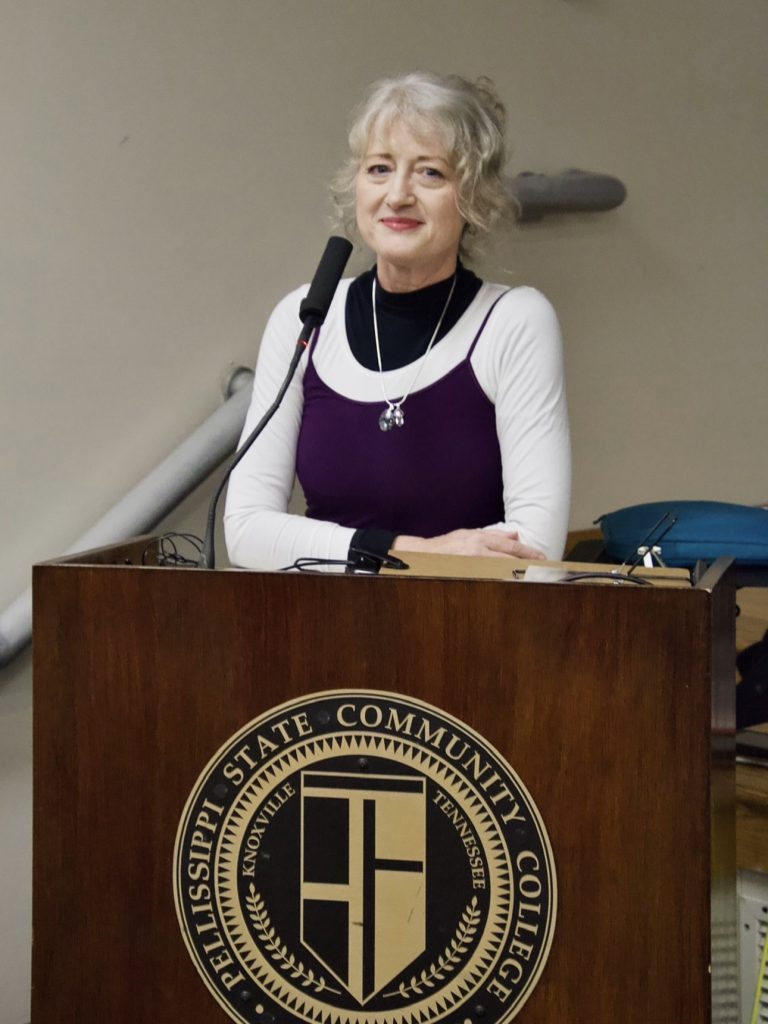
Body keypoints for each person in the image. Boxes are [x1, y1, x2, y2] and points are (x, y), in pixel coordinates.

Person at [225, 72, 571, 571]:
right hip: (316, 633)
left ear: (472, 195)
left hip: (472, 630)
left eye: (430, 173)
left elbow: (532, 549)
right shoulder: (305, 318)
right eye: (380, 168)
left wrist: (335, 549)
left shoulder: (513, 322)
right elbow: (246, 530)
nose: (398, 194)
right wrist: (409, 551)